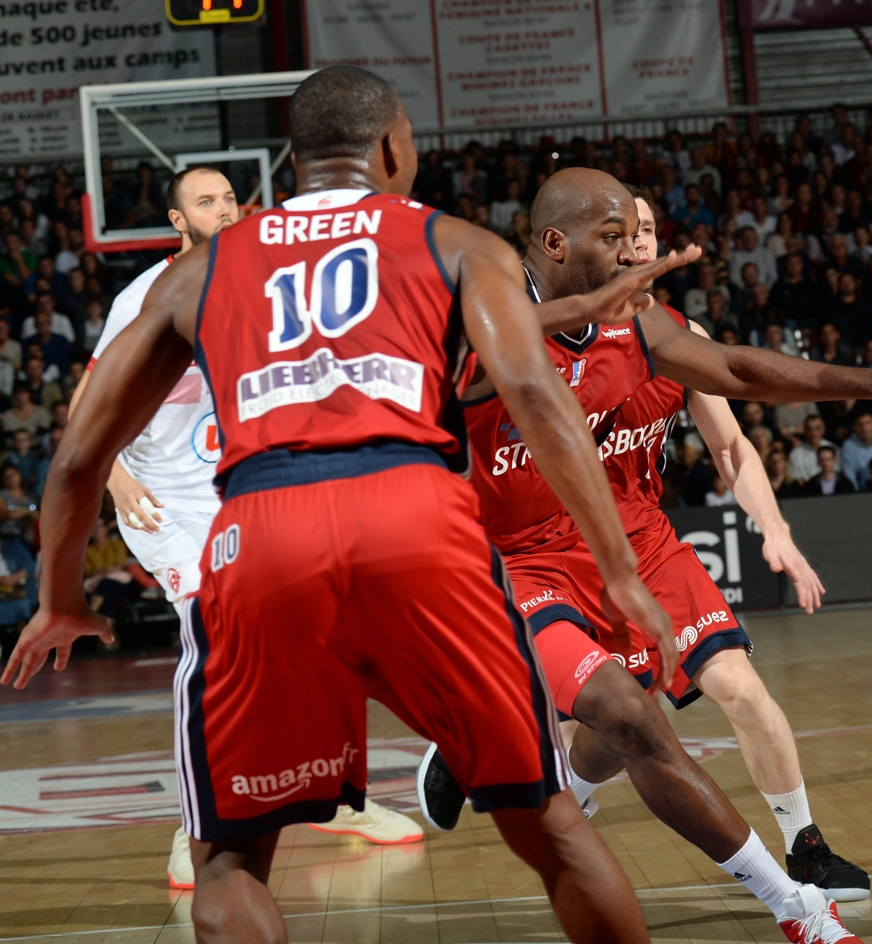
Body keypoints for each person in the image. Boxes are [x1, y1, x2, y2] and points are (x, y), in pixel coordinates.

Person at [5, 66, 673, 944]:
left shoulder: (201, 269)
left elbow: (79, 456)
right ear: (393, 148)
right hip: (416, 519)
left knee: (229, 863)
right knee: (548, 825)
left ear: (290, 160)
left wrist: (59, 598)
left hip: (260, 532)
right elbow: (537, 399)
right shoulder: (461, 244)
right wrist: (619, 572)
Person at [414, 169, 872, 941]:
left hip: (633, 544)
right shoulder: (485, 309)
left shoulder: (640, 322)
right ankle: (792, 903)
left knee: (657, 713)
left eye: (636, 236)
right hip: (522, 560)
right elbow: (492, 357)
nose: (632, 252)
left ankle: (791, 849)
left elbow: (732, 371)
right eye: (614, 237)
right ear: (555, 243)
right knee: (630, 714)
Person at [73, 165, 426, 886]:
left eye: (231, 198)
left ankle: (331, 797)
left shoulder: (267, 279)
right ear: (177, 222)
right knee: (217, 642)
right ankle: (195, 828)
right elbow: (87, 397)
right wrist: (113, 474)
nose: (225, 209)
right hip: (165, 498)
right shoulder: (145, 296)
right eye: (206, 202)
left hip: (246, 487)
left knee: (318, 636)